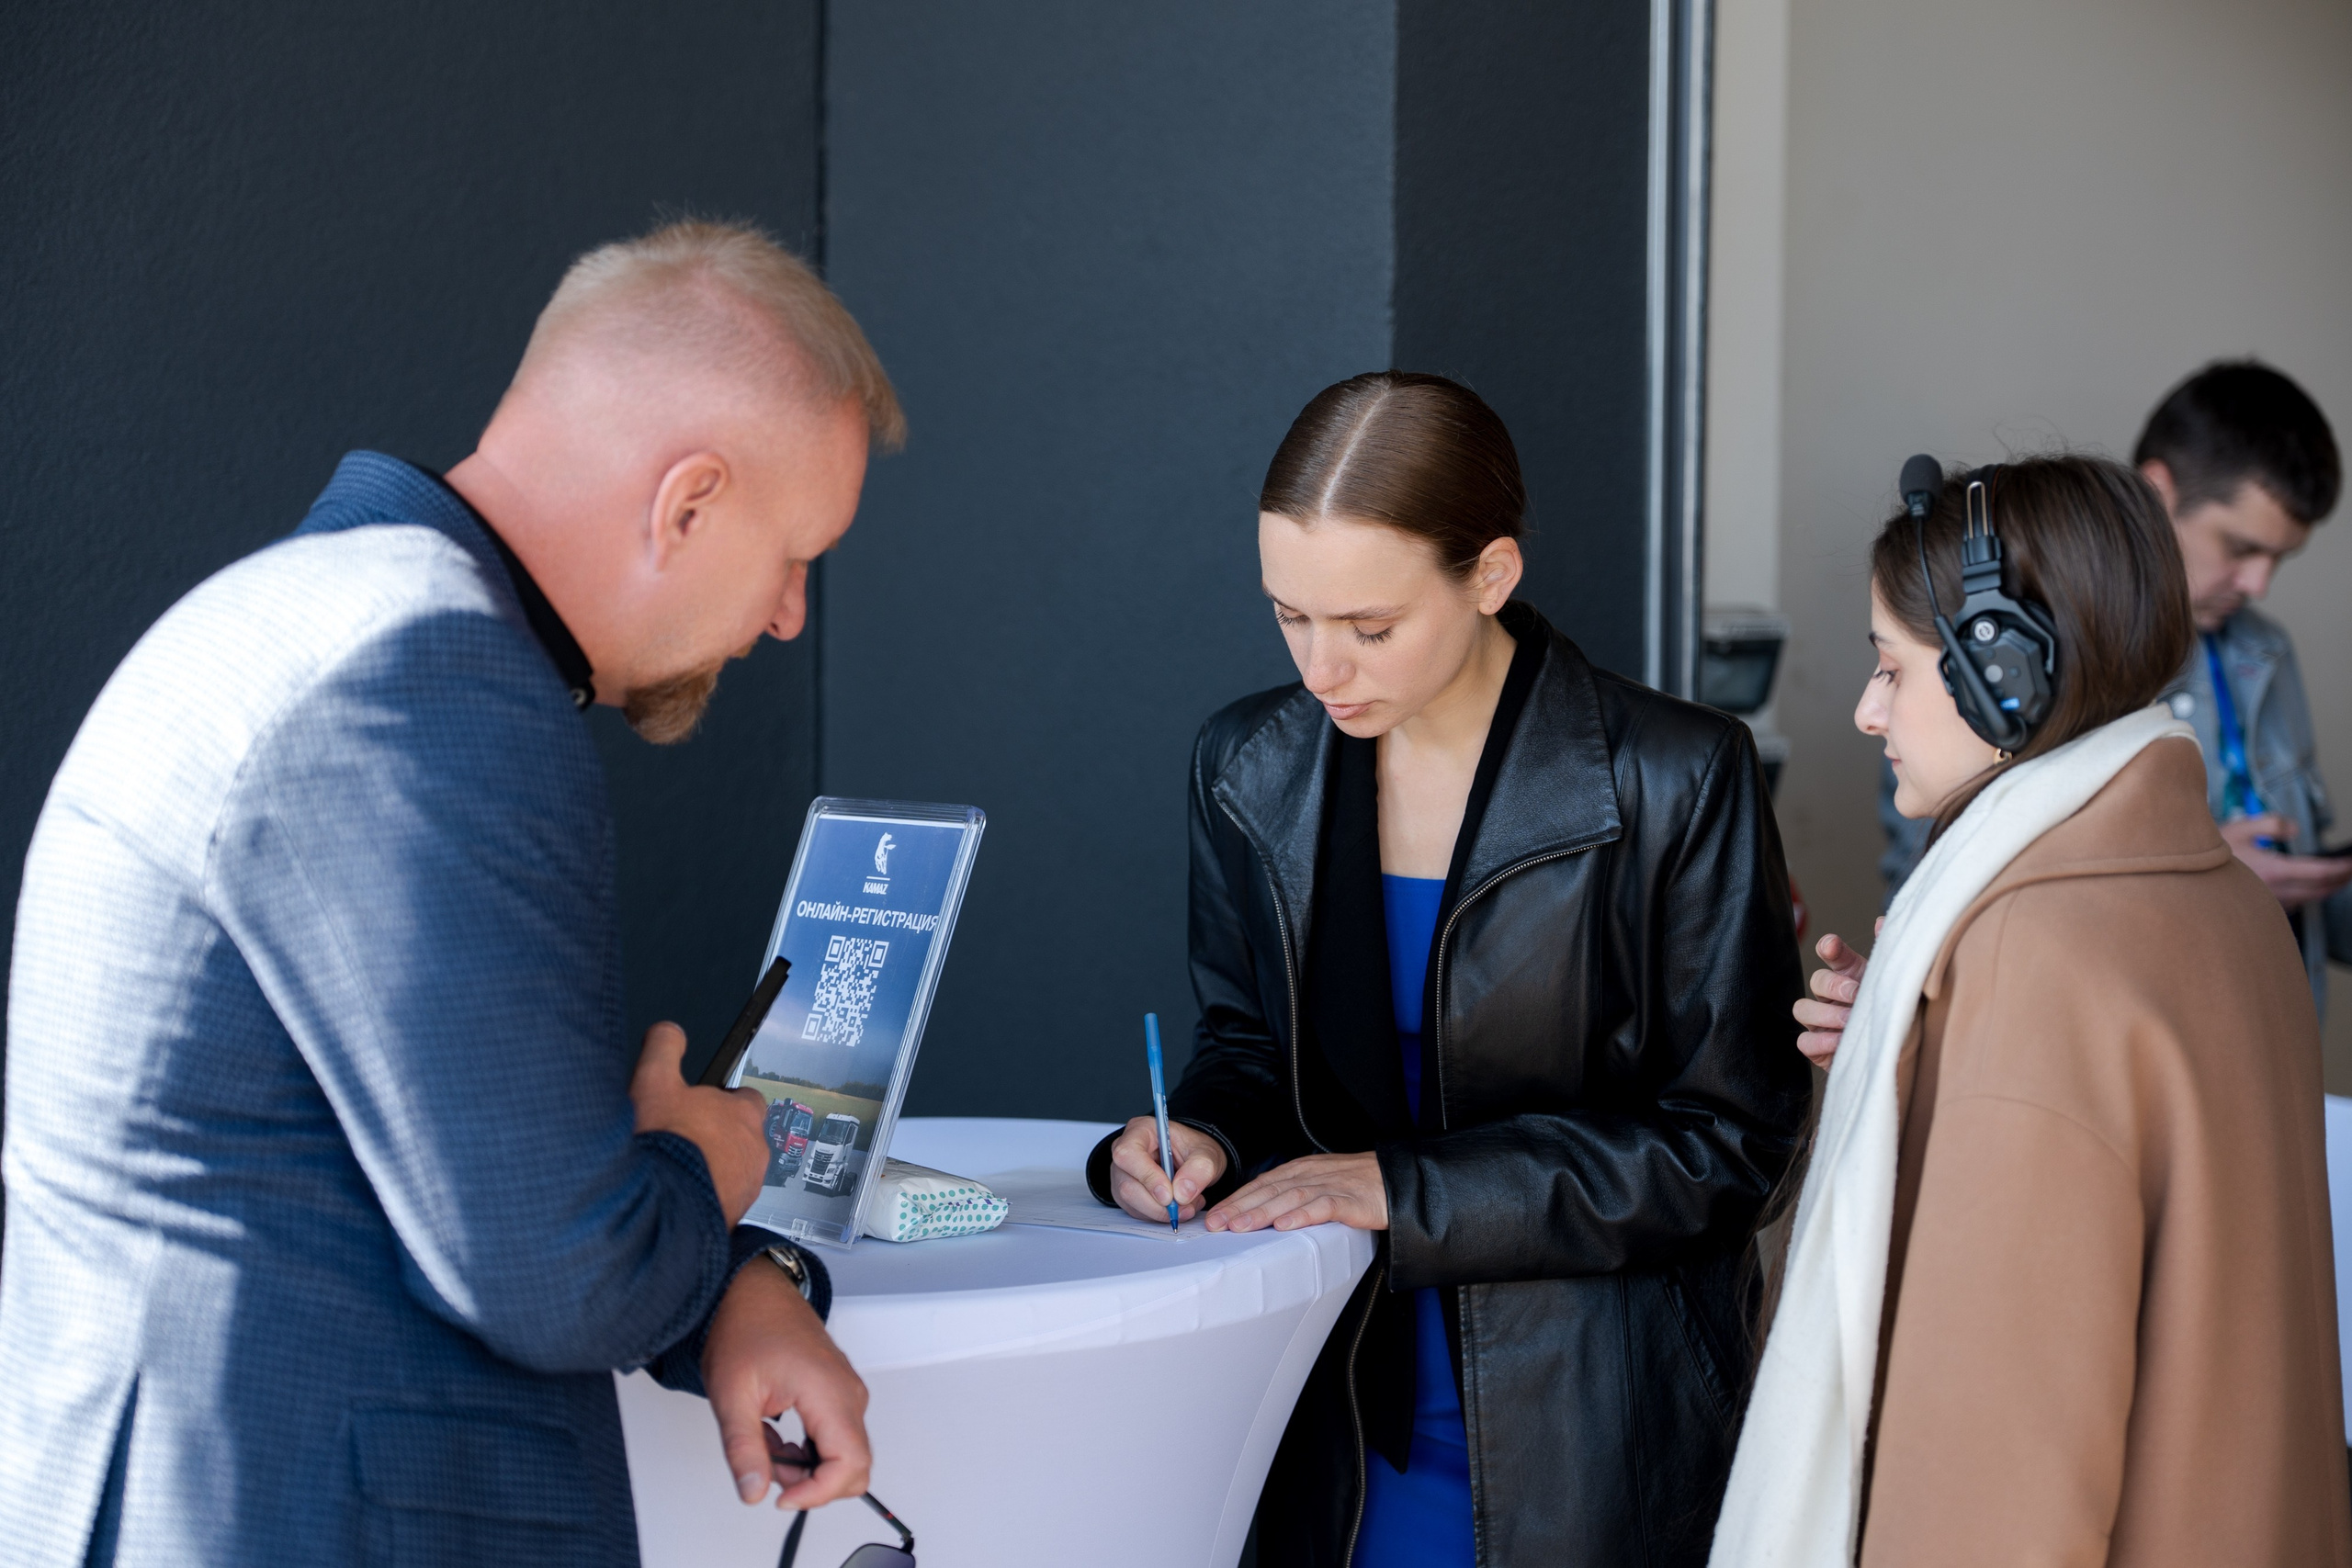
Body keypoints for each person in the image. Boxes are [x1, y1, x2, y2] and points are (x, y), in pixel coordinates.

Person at [0, 221, 899, 1565]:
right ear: (690, 502)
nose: (787, 615)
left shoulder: (312, 619)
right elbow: (559, 1273)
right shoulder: (428, 673)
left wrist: (734, 1278)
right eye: (795, 552)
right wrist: (703, 1165)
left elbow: (423, 1179)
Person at [1086, 372, 1812, 1566]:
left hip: (1581, 1424)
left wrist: (1402, 1188)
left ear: (1490, 575)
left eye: (1369, 628)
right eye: (1289, 616)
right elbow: (1249, 1043)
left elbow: (1733, 1146)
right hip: (1323, 1402)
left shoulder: (1675, 777)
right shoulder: (1248, 765)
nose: (1322, 669)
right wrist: (1201, 1131)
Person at [1726, 455, 2350, 1566]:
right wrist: (1926, 1055)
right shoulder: (2225, 904)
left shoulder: (2032, 949)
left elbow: (2000, 1467)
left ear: (2004, 673)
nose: (1868, 711)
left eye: (1892, 667)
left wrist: (1995, 1021)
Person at [1876, 362, 2347, 1021]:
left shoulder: (2269, 651)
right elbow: (1943, 893)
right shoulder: (2025, 659)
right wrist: (2212, 878)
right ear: (2157, 489)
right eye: (2241, 548)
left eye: (2279, 559)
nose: (2259, 584)